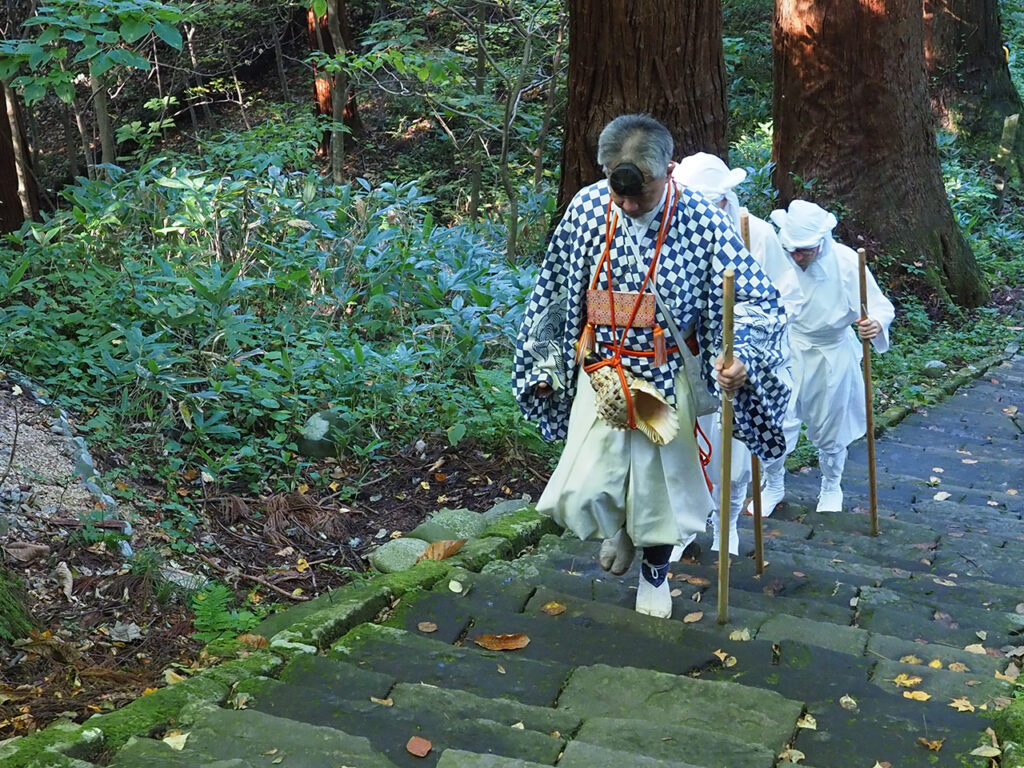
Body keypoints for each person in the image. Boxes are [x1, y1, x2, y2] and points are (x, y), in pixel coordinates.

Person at [513, 114, 790, 619]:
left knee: (658, 495)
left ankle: (655, 572)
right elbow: (553, 289)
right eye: (619, 194)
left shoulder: (702, 219)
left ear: (670, 169)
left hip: (663, 381)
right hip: (601, 375)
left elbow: (755, 300)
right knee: (587, 485)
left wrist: (740, 355)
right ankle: (621, 529)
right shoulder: (588, 207)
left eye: (641, 193)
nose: (628, 205)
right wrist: (543, 361)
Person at [671, 153, 803, 552]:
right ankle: (684, 528)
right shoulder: (670, 236)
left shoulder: (755, 234)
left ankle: (725, 527)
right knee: (684, 451)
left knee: (734, 458)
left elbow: (787, 298)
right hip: (689, 362)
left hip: (742, 365)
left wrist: (749, 339)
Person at [747, 199, 895, 515]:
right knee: (776, 420)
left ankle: (831, 485)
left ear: (821, 241)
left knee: (830, 423)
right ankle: (773, 484)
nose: (797, 257)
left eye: (805, 250)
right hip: (786, 347)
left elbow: (880, 306)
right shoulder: (778, 259)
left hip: (831, 352)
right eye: (792, 250)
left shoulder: (846, 263)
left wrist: (876, 323)